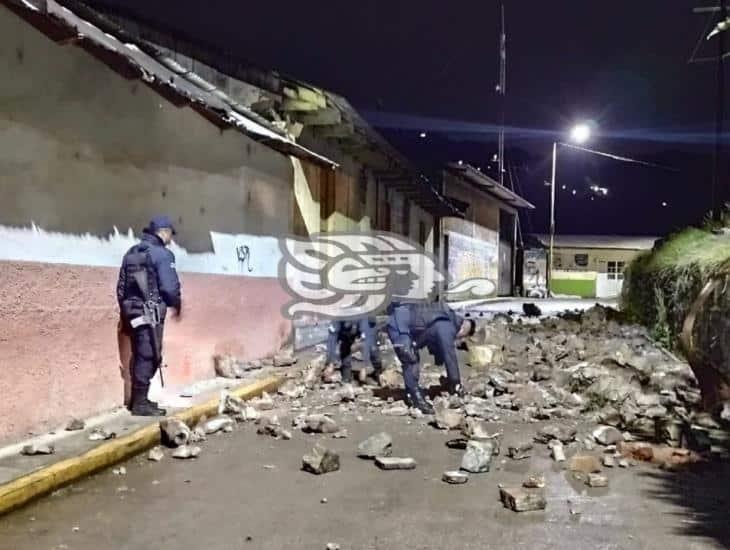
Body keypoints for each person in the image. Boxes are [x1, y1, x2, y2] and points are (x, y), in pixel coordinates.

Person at [117, 216, 182, 416]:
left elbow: (121, 287)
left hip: (132, 313)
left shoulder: (131, 253)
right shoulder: (162, 255)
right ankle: (140, 404)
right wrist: (175, 303)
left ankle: (140, 399)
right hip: (150, 312)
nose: (171, 238)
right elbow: (169, 287)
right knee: (150, 354)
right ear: (163, 232)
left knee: (140, 352)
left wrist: (127, 310)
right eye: (170, 234)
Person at [386, 301, 476, 414]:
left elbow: (431, 339)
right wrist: (456, 382)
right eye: (462, 336)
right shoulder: (447, 326)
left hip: (405, 324)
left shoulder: (444, 318)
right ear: (463, 329)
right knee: (409, 358)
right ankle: (416, 400)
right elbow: (449, 355)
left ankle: (411, 394)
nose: (459, 338)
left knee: (412, 354)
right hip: (398, 323)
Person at [324, 317, 382, 384]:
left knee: (373, 350)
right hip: (347, 332)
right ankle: (346, 377)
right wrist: (330, 363)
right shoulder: (336, 321)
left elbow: (366, 342)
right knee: (345, 350)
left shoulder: (363, 321)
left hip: (367, 325)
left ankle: (378, 373)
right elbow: (332, 341)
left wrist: (364, 366)